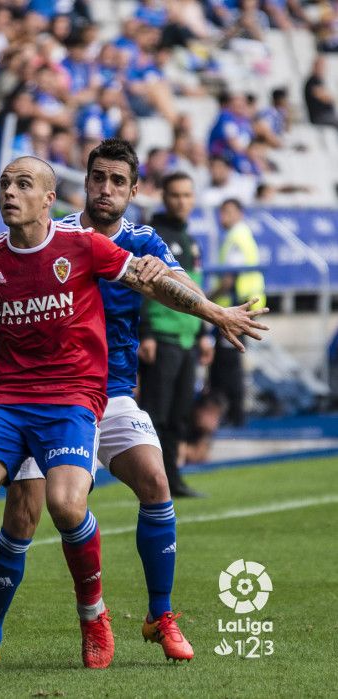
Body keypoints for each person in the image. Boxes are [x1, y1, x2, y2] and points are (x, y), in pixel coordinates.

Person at [0, 155, 268, 671]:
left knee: (120, 491)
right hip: (10, 397)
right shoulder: (2, 251)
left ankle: (144, 615)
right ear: (78, 188)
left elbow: (162, 283)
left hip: (89, 391)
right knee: (5, 507)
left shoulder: (129, 242)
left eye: (22, 184)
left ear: (132, 189)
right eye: (5, 183)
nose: (9, 192)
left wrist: (217, 312)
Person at [138, 172, 212, 498]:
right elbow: (140, 289)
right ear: (164, 198)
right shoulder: (153, 237)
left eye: (187, 195)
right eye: (175, 195)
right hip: (163, 337)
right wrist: (147, 333)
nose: (182, 201)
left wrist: (203, 334)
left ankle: (172, 479)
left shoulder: (190, 240)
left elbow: (195, 292)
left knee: (180, 414)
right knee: (156, 414)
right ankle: (150, 480)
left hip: (186, 339)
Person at [208, 198, 267, 426]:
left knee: (227, 364)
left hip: (235, 308)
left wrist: (206, 300)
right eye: (221, 212)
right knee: (230, 361)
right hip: (241, 307)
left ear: (239, 214)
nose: (223, 217)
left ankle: (232, 416)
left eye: (228, 212)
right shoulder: (243, 236)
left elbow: (229, 278)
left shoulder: (236, 238)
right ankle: (233, 414)